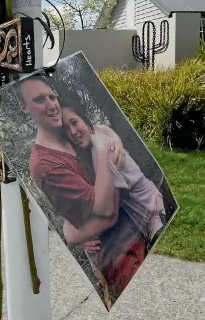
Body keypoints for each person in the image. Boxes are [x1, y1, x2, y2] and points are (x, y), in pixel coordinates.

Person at [13, 74, 146, 300]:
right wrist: (72, 232)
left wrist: (113, 138)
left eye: (52, 97)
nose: (51, 105)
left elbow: (97, 130)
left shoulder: (68, 134)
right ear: (24, 107)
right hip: (117, 254)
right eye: (39, 100)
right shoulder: (46, 165)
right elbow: (106, 212)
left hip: (136, 226)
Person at [59, 99, 167, 253]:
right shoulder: (94, 145)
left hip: (153, 219)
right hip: (141, 223)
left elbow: (107, 213)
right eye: (65, 129)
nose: (73, 132)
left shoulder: (100, 154)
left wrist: (71, 235)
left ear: (84, 118)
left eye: (74, 122)